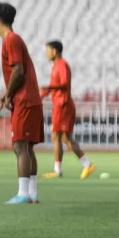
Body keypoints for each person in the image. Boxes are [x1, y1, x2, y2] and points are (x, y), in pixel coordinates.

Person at [0, 3, 44, 204]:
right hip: (28, 99)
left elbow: (18, 70)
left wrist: (6, 95)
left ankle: (23, 194)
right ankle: (32, 193)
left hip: (25, 100)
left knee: (20, 147)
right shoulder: (14, 40)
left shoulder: (10, 40)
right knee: (27, 148)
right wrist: (7, 97)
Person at [40, 40, 95, 180]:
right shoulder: (55, 67)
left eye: (48, 50)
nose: (46, 53)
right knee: (65, 138)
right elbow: (53, 87)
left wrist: (48, 88)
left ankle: (58, 170)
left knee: (56, 136)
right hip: (60, 105)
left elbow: (64, 84)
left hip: (63, 105)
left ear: (55, 51)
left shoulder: (62, 65)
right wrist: (39, 97)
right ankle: (86, 164)